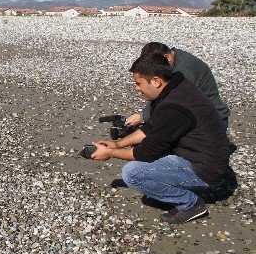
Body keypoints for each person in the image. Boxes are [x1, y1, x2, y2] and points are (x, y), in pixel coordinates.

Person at [90, 52, 231, 224]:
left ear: (156, 81)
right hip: (199, 155)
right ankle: (171, 188)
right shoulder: (178, 87)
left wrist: (110, 153)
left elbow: (144, 153)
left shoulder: (175, 108)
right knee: (150, 161)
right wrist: (117, 144)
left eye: (139, 83)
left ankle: (191, 204)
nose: (137, 88)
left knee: (132, 173)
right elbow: (150, 129)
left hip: (205, 169)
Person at [125, 42, 231, 131]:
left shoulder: (185, 69)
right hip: (195, 114)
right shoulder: (172, 62)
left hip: (214, 120)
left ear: (167, 57)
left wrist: (143, 117)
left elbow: (173, 100)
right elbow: (158, 93)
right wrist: (144, 116)